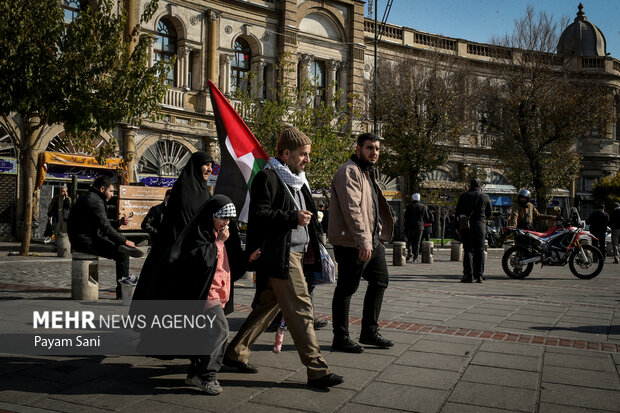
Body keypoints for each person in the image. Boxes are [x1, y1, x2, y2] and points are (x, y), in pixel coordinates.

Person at [224, 127, 343, 389]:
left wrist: (319, 242)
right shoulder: (268, 178)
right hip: (281, 255)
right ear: (286, 153)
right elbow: (259, 216)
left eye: (308, 154)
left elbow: (310, 219)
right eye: (303, 154)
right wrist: (292, 218)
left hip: (300, 254)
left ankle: (235, 352)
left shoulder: (299, 181)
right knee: (301, 309)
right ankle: (317, 370)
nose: (307, 160)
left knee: (269, 306)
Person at [328, 132, 394, 353]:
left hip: (372, 241)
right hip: (352, 243)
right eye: (369, 148)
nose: (374, 152)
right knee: (346, 288)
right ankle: (341, 337)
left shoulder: (367, 173)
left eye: (376, 149)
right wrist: (363, 240)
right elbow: (352, 210)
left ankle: (369, 332)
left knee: (380, 281)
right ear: (358, 149)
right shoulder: (349, 172)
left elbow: (371, 207)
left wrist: (378, 232)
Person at [134, 151, 213, 301]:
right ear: (196, 166)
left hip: (196, 248)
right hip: (177, 249)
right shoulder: (184, 188)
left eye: (211, 166)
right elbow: (184, 222)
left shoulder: (204, 191)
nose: (209, 169)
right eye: (206, 165)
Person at [68, 176, 143, 298]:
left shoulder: (92, 197)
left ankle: (122, 289)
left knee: (120, 246)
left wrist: (118, 223)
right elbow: (106, 228)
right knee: (122, 254)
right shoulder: (95, 201)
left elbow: (101, 224)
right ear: (102, 188)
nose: (112, 194)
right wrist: (125, 241)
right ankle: (122, 292)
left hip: (85, 237)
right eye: (111, 191)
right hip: (84, 241)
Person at [455, 178, 492, 283]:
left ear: (470, 186)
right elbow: (489, 213)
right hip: (480, 227)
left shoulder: (464, 196)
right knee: (480, 251)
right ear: (480, 186)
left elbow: (457, 213)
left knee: (468, 251)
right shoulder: (485, 196)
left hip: (466, 227)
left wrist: (457, 227)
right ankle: (479, 275)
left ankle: (468, 275)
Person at [404, 193, 429, 263]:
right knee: (417, 242)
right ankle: (416, 257)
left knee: (409, 240)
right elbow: (426, 217)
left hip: (410, 226)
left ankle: (410, 252)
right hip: (419, 227)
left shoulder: (409, 206)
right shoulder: (423, 207)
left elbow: (405, 217)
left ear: (412, 198)